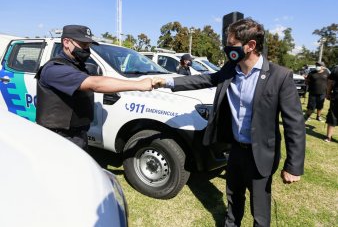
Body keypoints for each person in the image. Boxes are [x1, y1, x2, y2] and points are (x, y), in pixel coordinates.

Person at [153, 18, 305, 226]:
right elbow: (203, 79)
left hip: (261, 154)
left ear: (250, 46)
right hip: (235, 150)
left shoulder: (280, 76)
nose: (226, 48)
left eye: (231, 44)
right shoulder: (230, 69)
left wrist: (293, 166)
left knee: (259, 208)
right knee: (234, 198)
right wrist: (167, 81)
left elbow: (294, 124)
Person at [35, 25, 152, 151]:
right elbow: (95, 84)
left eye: (89, 46)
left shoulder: (77, 66)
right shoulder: (55, 69)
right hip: (59, 138)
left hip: (77, 135)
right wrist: (139, 84)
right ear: (67, 42)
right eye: (83, 45)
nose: (87, 50)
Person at [324, 65, 338, 142]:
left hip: (336, 97)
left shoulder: (336, 69)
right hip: (336, 97)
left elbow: (329, 82)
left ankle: (328, 137)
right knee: (332, 116)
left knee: (333, 116)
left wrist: (328, 93)